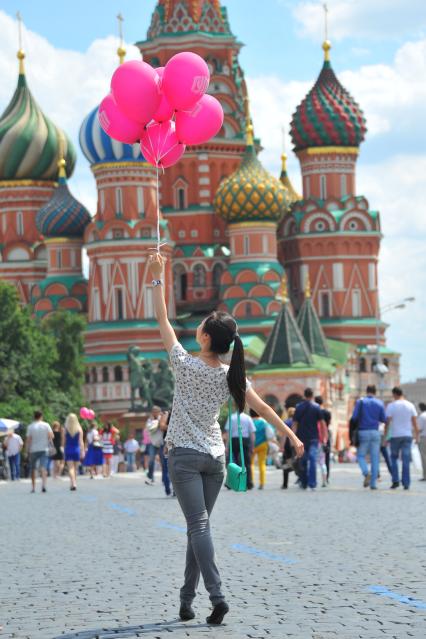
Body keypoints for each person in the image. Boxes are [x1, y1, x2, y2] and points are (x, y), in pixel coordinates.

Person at [148, 253, 304, 625]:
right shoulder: (231, 377)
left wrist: (156, 277)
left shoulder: (183, 364)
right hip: (215, 460)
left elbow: (162, 319)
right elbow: (265, 409)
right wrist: (292, 436)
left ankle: (217, 597)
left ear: (203, 337)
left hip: (185, 457)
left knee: (197, 527)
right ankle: (186, 602)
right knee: (197, 528)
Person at [351, 385, 386, 490]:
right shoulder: (380, 403)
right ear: (375, 392)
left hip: (363, 432)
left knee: (361, 455)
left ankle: (366, 473)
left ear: (366, 391)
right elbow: (383, 419)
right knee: (375, 458)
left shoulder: (360, 402)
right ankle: (373, 484)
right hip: (375, 432)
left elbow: (354, 417)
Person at [385, 387, 419, 490]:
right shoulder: (410, 405)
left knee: (394, 458)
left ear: (394, 394)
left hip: (395, 435)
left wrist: (386, 436)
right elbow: (414, 422)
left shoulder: (391, 406)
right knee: (405, 460)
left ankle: (395, 480)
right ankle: (406, 483)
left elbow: (388, 422)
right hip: (407, 435)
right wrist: (416, 435)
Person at [292, 388, 325, 490]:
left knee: (302, 460)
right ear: (312, 395)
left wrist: (293, 438)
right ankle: (312, 483)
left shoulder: (299, 407)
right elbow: (322, 424)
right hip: (313, 438)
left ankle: (304, 482)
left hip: (301, 438)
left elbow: (295, 424)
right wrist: (324, 437)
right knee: (312, 459)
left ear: (304, 395)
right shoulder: (317, 407)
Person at [224, 409, 256, 490]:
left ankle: (232, 482)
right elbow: (252, 433)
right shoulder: (248, 418)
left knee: (233, 462)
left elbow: (228, 433)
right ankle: (249, 483)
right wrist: (252, 446)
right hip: (244, 440)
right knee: (246, 462)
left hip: (234, 440)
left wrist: (227, 446)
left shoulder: (231, 417)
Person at [25, 410, 53, 493]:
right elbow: (51, 436)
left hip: (33, 450)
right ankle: (43, 486)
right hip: (44, 449)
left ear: (34, 416)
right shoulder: (46, 425)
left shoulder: (30, 426)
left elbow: (28, 440)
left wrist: (26, 451)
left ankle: (33, 488)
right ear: (41, 416)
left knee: (33, 468)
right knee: (43, 467)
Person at [145, 406, 170, 495]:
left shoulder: (163, 418)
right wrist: (157, 423)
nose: (155, 413)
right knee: (151, 460)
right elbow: (150, 429)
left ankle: (164, 480)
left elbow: (163, 427)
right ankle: (150, 477)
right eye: (153, 411)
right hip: (153, 443)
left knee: (164, 462)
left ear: (159, 412)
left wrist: (161, 421)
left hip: (161, 443)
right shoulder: (150, 420)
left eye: (156, 411)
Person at [249, 409, 274, 489]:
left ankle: (251, 481)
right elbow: (270, 434)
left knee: (251, 464)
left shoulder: (250, 421)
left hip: (251, 445)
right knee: (262, 463)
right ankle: (262, 483)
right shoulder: (264, 422)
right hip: (263, 444)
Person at [63, 413, 85, 491]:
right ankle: (74, 483)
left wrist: (62, 449)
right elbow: (81, 441)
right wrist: (83, 451)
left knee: (70, 468)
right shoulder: (79, 429)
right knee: (75, 468)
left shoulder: (65, 429)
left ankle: (72, 483)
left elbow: (64, 441)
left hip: (68, 449)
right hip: (76, 449)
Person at [315, 396, 332, 483]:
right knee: (326, 458)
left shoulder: (314, 412)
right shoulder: (327, 412)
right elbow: (329, 423)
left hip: (316, 436)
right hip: (326, 435)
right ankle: (326, 478)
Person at [281, 407, 295, 489]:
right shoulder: (297, 422)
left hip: (287, 446)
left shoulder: (285, 422)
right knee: (297, 461)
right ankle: (301, 479)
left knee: (286, 464)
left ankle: (285, 484)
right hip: (295, 445)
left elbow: (284, 435)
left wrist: (281, 446)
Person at [418, 402, 426, 481]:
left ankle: (425, 475)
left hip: (424, 438)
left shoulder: (422, 416)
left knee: (424, 457)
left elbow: (419, 429)